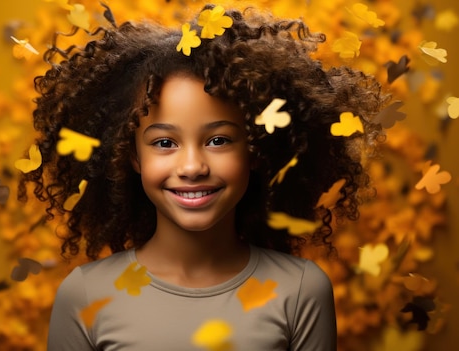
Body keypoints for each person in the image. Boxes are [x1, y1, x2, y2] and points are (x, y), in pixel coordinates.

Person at [21, 3, 387, 350]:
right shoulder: (84, 294)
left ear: (255, 151)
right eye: (165, 142)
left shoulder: (301, 290)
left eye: (218, 140)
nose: (192, 167)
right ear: (132, 156)